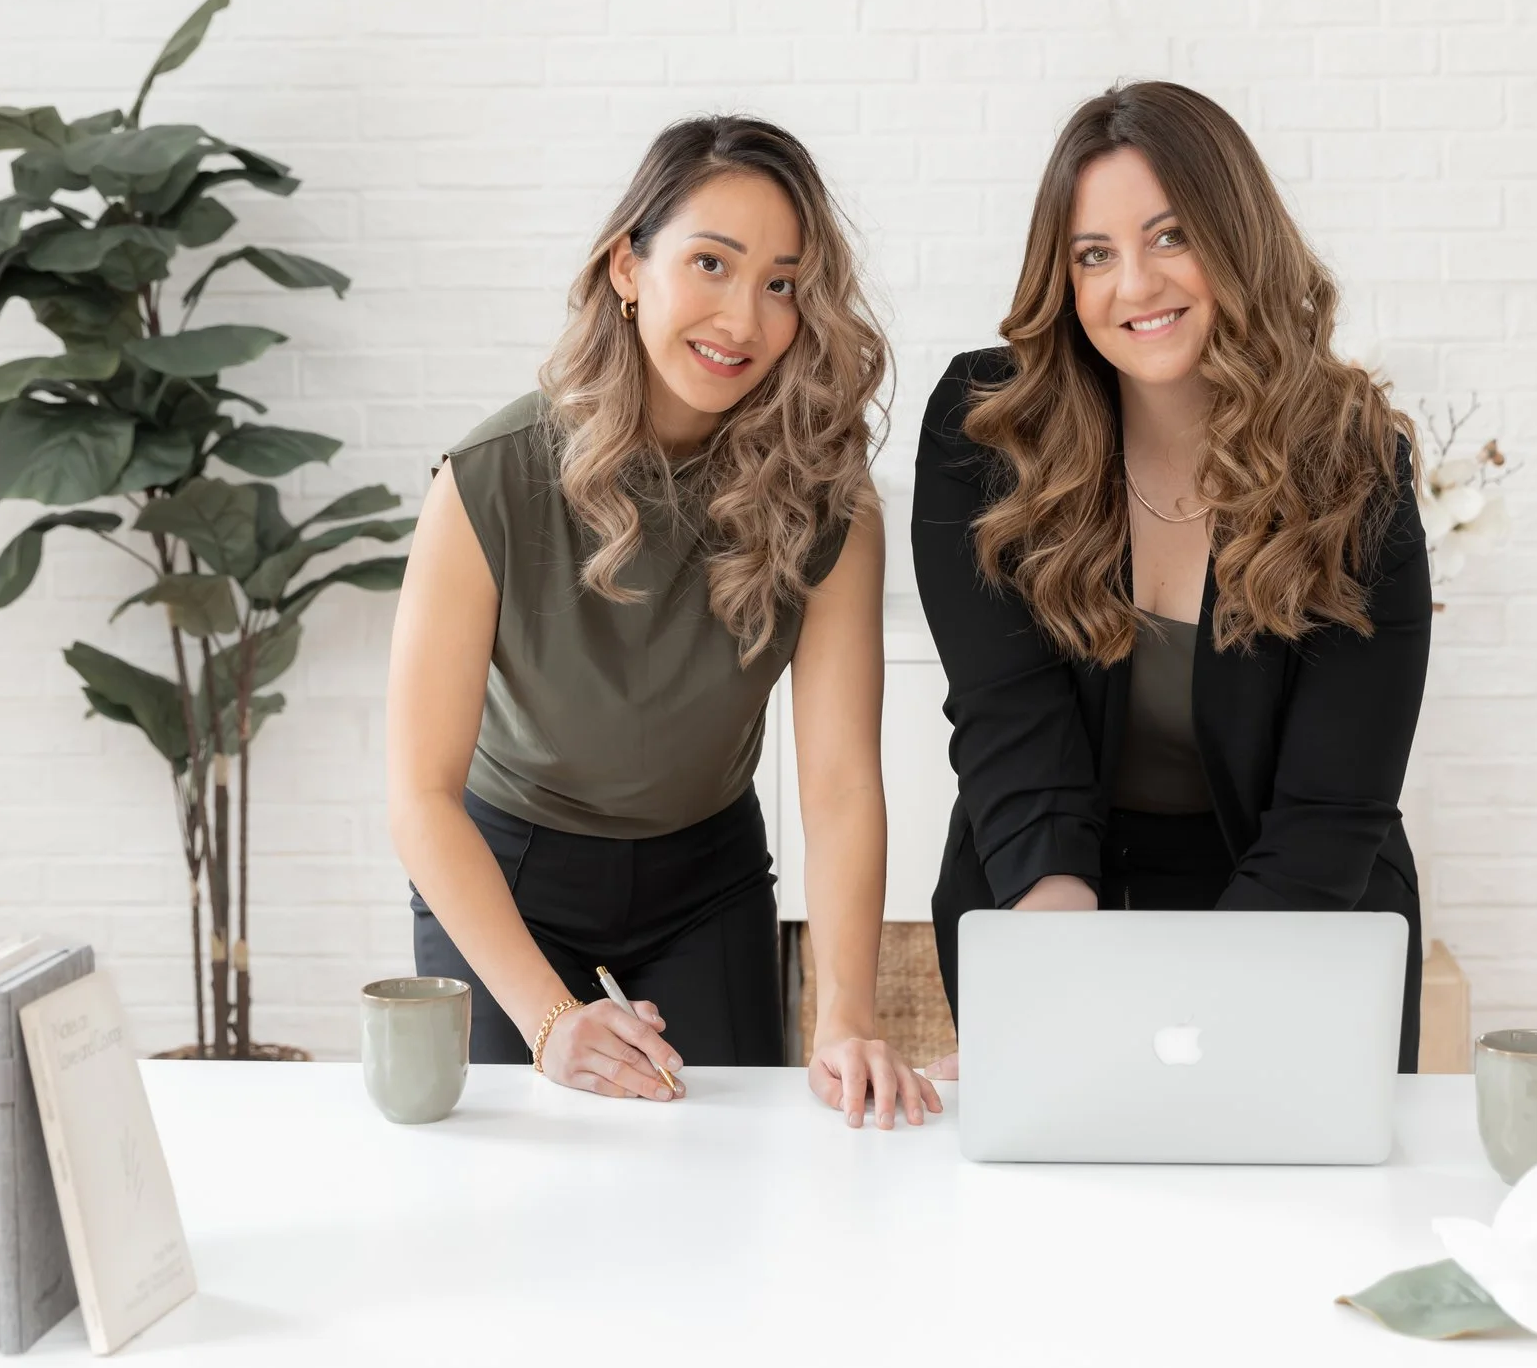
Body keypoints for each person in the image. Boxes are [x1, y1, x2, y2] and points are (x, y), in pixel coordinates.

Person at [386, 116, 939, 1128]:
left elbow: (842, 779)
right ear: (627, 267)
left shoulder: (829, 497)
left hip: (706, 879)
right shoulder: (488, 480)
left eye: (781, 283)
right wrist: (552, 1019)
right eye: (711, 264)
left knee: (731, 1173)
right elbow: (420, 793)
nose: (743, 317)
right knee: (511, 1181)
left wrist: (846, 1013)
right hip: (507, 872)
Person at [913, 81, 1431, 1076]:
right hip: (1048, 890)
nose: (1133, 285)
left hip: (1301, 906)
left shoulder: (1354, 464)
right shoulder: (984, 434)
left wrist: (1177, 1027)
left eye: (1169, 237)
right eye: (1092, 255)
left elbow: (1332, 805)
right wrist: (1069, 998)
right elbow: (1011, 730)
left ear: (1237, 241)